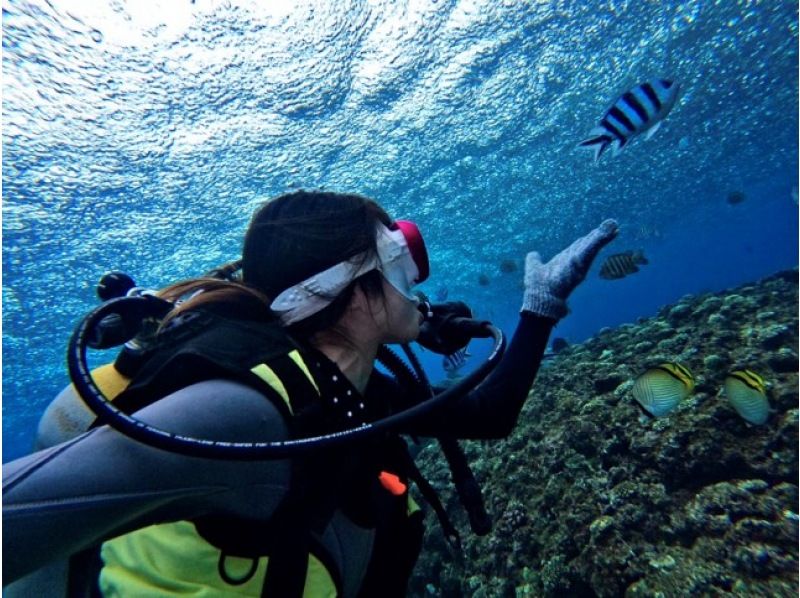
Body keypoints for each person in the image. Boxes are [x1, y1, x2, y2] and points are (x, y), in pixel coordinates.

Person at [3, 190, 618, 597]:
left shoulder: (346, 392)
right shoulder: (243, 414)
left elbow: (489, 413)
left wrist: (540, 306)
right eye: (401, 260)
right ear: (349, 287)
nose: (417, 282)